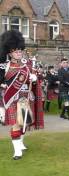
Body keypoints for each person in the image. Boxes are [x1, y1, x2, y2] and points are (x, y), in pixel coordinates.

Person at [0, 30, 44, 160]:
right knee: (16, 124)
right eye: (16, 51)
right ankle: (17, 151)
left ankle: (20, 143)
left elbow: (36, 81)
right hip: (12, 98)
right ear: (9, 53)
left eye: (20, 51)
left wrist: (35, 79)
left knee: (24, 122)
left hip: (25, 97)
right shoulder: (4, 67)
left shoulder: (27, 66)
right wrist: (2, 85)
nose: (19, 53)